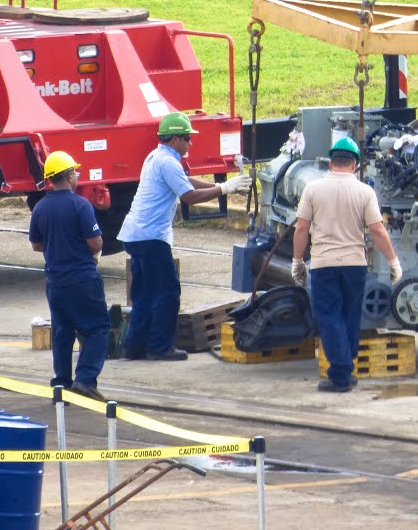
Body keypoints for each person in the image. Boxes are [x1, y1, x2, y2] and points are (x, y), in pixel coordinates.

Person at [117, 112, 252, 361]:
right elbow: (188, 196)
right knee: (168, 292)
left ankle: (135, 346)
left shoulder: (156, 157)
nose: (191, 143)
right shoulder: (167, 162)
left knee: (143, 294)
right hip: (151, 238)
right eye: (188, 138)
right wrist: (224, 188)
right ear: (176, 139)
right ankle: (160, 347)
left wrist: (221, 185)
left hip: (135, 235)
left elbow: (186, 181)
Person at [291, 137, 402, 393]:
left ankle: (340, 375)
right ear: (355, 164)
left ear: (331, 163)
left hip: (323, 265)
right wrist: (393, 261)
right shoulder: (365, 192)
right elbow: (377, 230)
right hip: (355, 265)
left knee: (330, 317)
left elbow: (301, 229)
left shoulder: (313, 189)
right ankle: (346, 367)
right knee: (351, 316)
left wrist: (298, 261)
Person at [29, 151, 110, 402]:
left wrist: (59, 246)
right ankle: (85, 381)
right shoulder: (80, 205)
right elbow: (95, 243)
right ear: (69, 175)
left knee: (63, 332)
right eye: (75, 172)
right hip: (82, 279)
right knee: (98, 328)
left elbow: (37, 245)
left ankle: (61, 385)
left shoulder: (41, 207)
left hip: (55, 282)